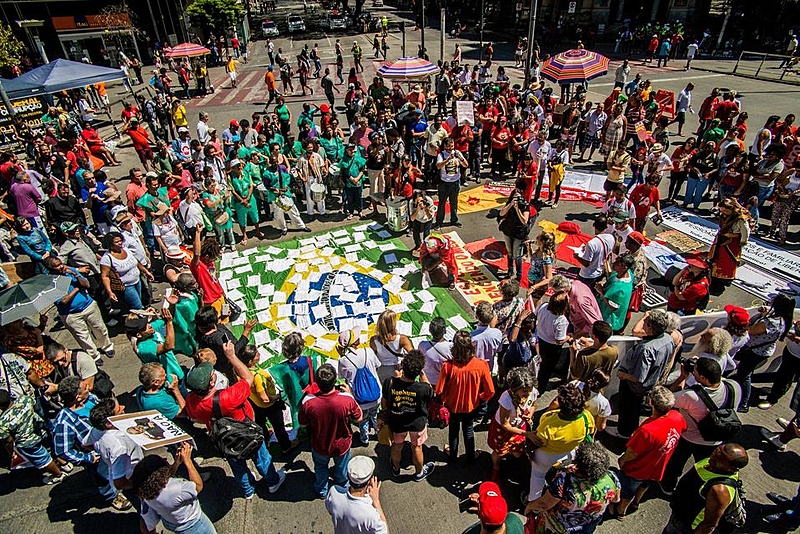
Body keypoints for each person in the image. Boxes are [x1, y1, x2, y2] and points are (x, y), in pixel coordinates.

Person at [184, 341, 286, 499]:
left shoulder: (191, 401)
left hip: (223, 438)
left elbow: (193, 416)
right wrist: (231, 355)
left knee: (237, 466)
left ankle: (248, 490)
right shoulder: (229, 396)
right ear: (211, 383)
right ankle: (272, 482)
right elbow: (247, 377)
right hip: (247, 432)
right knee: (262, 458)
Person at [610, 385, 687, 518]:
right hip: (657, 467)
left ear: (651, 403)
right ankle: (636, 502)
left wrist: (622, 460)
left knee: (627, 491)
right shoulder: (677, 417)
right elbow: (683, 429)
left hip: (637, 469)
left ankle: (620, 510)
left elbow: (633, 452)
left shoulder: (647, 430)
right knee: (645, 485)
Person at [525, 441, 620, 533]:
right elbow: (616, 499)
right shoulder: (612, 477)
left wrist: (529, 507)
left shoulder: (565, 481)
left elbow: (544, 504)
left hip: (558, 527)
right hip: (587, 525)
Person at [299, 363, 363, 499]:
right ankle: (342, 485)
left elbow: (302, 424)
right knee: (341, 467)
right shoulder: (346, 399)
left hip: (319, 445)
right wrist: (350, 394)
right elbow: (359, 417)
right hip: (342, 444)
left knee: (321, 468)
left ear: (316, 383)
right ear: (335, 381)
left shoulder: (308, 402)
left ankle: (322, 490)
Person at [526, 383, 596, 503]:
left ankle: (533, 501)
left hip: (546, 456)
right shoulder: (586, 417)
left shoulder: (549, 421)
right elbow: (592, 431)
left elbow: (538, 441)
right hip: (569, 453)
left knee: (538, 476)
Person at [613, 309, 674, 438]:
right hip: (652, 382)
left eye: (645, 322)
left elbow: (638, 377)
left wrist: (623, 375)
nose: (643, 322)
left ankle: (624, 432)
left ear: (651, 328)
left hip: (633, 387)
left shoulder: (646, 349)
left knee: (628, 409)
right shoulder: (668, 338)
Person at [661, 443, 748, 534]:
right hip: (678, 515)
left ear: (732, 469)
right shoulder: (711, 463)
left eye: (721, 458)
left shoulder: (719, 490)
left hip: (687, 527)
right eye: (717, 451)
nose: (714, 456)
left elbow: (709, 524)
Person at [436, 331, 495, 464]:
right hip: (471, 405)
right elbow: (490, 391)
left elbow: (439, 389)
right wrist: (481, 397)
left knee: (453, 430)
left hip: (452, 405)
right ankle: (470, 457)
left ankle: (453, 456)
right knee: (468, 429)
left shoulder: (448, 366)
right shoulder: (481, 365)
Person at [43, 256, 115, 363]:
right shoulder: (51, 283)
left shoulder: (70, 271)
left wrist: (75, 274)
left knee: (100, 328)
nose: (61, 266)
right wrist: (77, 289)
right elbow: (63, 301)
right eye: (57, 266)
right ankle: (94, 356)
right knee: (83, 337)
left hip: (88, 306)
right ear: (50, 269)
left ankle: (107, 346)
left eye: (60, 263)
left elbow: (87, 284)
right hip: (71, 314)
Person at [132, 443, 216, 534]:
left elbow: (162, 481)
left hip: (173, 524)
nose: (165, 459)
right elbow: (198, 486)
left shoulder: (147, 492)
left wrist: (177, 463)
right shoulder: (178, 489)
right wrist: (188, 461)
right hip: (194, 525)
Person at [734, 293, 796, 412]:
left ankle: (744, 403)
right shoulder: (783, 319)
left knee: (744, 375)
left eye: (774, 300)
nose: (771, 300)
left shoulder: (769, 322)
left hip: (755, 352)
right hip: (762, 351)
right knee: (744, 373)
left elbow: (751, 330)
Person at [382, 349, 435, 481]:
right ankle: (419, 473)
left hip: (397, 421)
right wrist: (422, 373)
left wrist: (397, 377)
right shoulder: (422, 388)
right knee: (417, 447)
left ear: (403, 367)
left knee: (397, 445)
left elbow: (384, 403)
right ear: (418, 371)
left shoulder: (390, 382)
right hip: (417, 423)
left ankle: (395, 468)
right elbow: (430, 390)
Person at [0, 390, 66, 485]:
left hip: (28, 442)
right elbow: (36, 409)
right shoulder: (25, 399)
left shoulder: (2, 423)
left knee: (43, 459)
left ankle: (58, 475)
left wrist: (11, 453)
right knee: (50, 448)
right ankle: (64, 463)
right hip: (40, 430)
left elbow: (8, 441)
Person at [239, 345, 295, 453]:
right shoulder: (258, 377)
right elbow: (265, 399)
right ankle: (286, 446)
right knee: (279, 427)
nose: (259, 354)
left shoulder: (242, 372)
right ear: (251, 361)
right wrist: (277, 397)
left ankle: (265, 439)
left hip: (256, 404)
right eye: (256, 354)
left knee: (261, 423)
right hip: (269, 406)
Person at [488, 367, 538, 482]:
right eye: (524, 391)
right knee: (499, 452)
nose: (528, 393)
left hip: (520, 427)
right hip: (503, 430)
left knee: (517, 452)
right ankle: (496, 467)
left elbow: (534, 404)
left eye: (529, 390)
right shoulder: (506, 399)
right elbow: (505, 424)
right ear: (515, 389)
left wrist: (529, 414)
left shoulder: (532, 391)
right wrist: (527, 434)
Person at [336, 328, 382, 449]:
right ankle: (379, 433)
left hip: (359, 399)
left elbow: (342, 376)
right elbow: (378, 366)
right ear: (356, 342)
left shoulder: (343, 360)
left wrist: (343, 357)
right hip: (376, 395)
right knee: (375, 415)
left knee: (363, 420)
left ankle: (364, 438)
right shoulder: (368, 351)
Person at [325, 455, 389, 534]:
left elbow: (330, 510)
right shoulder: (371, 514)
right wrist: (376, 501)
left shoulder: (334, 492)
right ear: (369, 481)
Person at [100, 231, 153, 311]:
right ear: (110, 244)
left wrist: (146, 271)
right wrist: (110, 292)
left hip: (137, 281)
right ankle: (140, 321)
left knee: (140, 301)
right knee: (137, 306)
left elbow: (136, 262)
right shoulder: (107, 258)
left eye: (120, 240)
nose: (120, 243)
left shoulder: (126, 250)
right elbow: (105, 276)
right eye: (117, 242)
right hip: (126, 286)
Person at [708, 197, 750, 294]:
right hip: (721, 239)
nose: (723, 213)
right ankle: (714, 276)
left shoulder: (740, 219)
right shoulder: (724, 215)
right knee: (716, 257)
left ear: (731, 208)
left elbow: (745, 232)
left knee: (726, 261)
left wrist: (737, 237)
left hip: (731, 243)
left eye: (726, 210)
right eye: (722, 210)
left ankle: (723, 279)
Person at [536, 292, 571, 391]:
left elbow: (536, 315)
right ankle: (541, 389)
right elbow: (559, 340)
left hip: (539, 339)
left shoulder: (543, 306)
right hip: (551, 347)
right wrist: (568, 337)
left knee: (538, 363)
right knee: (546, 368)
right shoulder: (561, 320)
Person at [498, 179, 532, 280]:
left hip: (519, 233)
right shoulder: (511, 200)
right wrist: (511, 205)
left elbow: (524, 220)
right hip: (508, 229)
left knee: (517, 254)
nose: (517, 193)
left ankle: (519, 275)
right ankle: (510, 271)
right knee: (509, 252)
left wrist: (517, 209)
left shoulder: (525, 205)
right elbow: (501, 213)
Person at [370, 310, 413, 384]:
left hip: (381, 370)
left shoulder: (374, 340)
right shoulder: (402, 339)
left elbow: (372, 358)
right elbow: (413, 355)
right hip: (397, 369)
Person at [434, 137, 468, 229]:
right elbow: (438, 166)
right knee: (442, 203)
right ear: (444, 146)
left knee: (454, 202)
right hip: (444, 183)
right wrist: (448, 159)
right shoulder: (441, 154)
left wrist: (460, 158)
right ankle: (439, 222)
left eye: (452, 146)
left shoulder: (457, 153)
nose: (450, 148)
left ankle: (454, 220)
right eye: (448, 146)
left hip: (455, 182)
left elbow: (466, 165)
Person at [596, 253, 634, 334]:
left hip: (609, 317)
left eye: (617, 263)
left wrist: (601, 291)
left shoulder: (621, 289)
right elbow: (611, 276)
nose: (614, 264)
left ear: (624, 267)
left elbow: (613, 307)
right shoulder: (626, 273)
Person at [574, 215, 615, 288]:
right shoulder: (611, 238)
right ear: (606, 227)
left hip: (588, 275)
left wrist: (576, 257)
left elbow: (587, 263)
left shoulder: (592, 243)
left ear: (594, 225)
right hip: (601, 271)